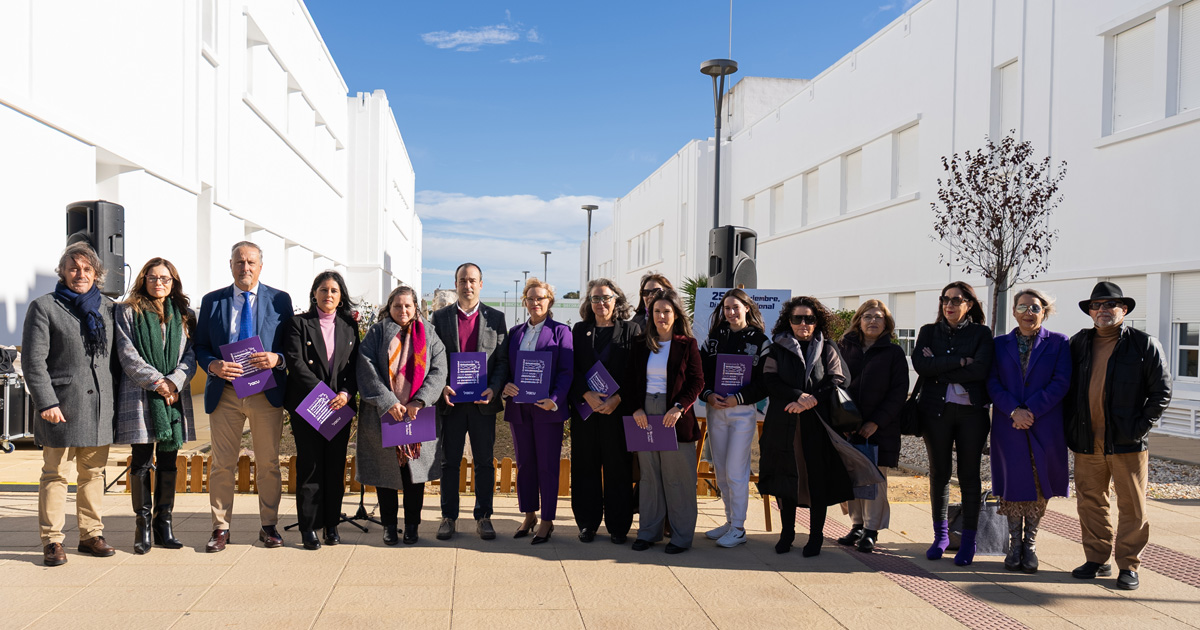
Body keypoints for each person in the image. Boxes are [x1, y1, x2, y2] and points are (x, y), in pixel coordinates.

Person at [1065, 282, 1170, 591]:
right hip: (1087, 441)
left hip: (1127, 441)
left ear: (1123, 309)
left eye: (1109, 304)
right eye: (1096, 305)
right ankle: (1097, 559)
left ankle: (1129, 565)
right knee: (1090, 503)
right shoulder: (1078, 343)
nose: (1102, 310)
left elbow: (1161, 391)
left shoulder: (1143, 344)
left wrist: (1140, 427)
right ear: (1090, 312)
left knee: (1133, 506)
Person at [23, 243, 118, 566]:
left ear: (96, 274)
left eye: (87, 269)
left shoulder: (108, 308)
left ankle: (91, 534)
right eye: (74, 268)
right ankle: (52, 540)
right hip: (60, 407)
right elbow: (33, 361)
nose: (80, 274)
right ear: (62, 272)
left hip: (99, 407)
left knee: (93, 473)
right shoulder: (44, 307)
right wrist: (46, 402)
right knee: (55, 474)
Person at [194, 241, 293, 552]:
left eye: (251, 262)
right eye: (239, 262)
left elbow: (291, 345)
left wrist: (277, 358)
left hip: (265, 392)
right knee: (222, 463)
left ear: (260, 266)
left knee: (268, 463)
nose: (245, 267)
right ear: (231, 265)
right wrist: (213, 365)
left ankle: (269, 525)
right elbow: (200, 346)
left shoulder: (280, 300)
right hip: (225, 392)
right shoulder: (212, 301)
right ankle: (220, 528)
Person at [760, 296, 877, 557]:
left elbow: (838, 378)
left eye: (809, 318)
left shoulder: (827, 346)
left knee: (818, 482)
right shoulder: (776, 347)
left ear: (817, 321)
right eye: (797, 318)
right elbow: (769, 380)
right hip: (784, 424)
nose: (803, 323)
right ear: (788, 321)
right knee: (785, 480)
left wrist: (810, 400)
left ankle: (815, 537)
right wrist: (798, 396)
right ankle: (787, 534)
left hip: (818, 425)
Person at [114, 258, 197, 554]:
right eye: (152, 277)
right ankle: (143, 525)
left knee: (168, 460)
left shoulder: (185, 315)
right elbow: (126, 353)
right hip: (140, 394)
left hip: (173, 396)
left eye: (164, 278)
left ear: (173, 282)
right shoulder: (127, 311)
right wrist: (158, 382)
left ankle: (165, 524)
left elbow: (191, 355)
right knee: (140, 461)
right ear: (143, 279)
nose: (158, 283)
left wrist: (174, 382)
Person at [985, 288, 1071, 573]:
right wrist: (1014, 410)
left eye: (1034, 308)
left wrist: (1030, 410)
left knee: (1038, 483)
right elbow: (992, 382)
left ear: (1044, 312)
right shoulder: (999, 344)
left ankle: (1030, 544)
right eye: (1022, 307)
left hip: (1043, 423)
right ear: (1013, 312)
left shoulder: (1059, 342)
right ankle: (1014, 545)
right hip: (1008, 424)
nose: (1028, 313)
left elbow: (1061, 382)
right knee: (1013, 483)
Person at [912, 281, 994, 566]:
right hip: (935, 411)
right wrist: (960, 361)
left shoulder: (981, 333)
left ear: (968, 304)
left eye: (956, 300)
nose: (949, 304)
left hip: (972, 414)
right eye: (945, 299)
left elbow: (981, 369)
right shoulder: (928, 332)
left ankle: (969, 541)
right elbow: (920, 366)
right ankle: (941, 536)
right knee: (940, 474)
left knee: (969, 476)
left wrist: (938, 366)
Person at [357, 285, 447, 545]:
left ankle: (412, 526)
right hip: (384, 415)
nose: (403, 310)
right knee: (386, 474)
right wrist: (388, 402)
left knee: (413, 476)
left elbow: (439, 370)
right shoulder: (377, 332)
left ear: (415, 307)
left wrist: (420, 400)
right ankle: (389, 526)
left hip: (416, 415)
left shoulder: (429, 334)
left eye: (408, 305)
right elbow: (366, 368)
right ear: (390, 307)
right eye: (398, 305)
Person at [282, 271, 361, 550]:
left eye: (334, 291)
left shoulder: (349, 326)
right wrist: (322, 394)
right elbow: (296, 363)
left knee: (335, 467)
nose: (329, 294)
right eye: (324, 289)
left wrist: (345, 393)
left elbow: (355, 367)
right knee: (310, 466)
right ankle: (308, 527)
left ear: (341, 297)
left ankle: (331, 525)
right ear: (314, 293)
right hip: (308, 406)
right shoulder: (298, 324)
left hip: (339, 407)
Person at [431, 262, 509, 541]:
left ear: (481, 284)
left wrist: (494, 388)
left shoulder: (496, 318)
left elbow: (502, 361)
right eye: (462, 280)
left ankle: (484, 516)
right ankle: (448, 517)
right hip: (451, 402)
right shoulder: (439, 318)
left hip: (482, 404)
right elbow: (434, 358)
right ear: (456, 284)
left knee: (484, 462)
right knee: (449, 462)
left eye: (472, 280)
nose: (467, 285)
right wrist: (441, 386)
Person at [626, 289, 704, 554]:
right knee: (649, 477)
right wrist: (636, 408)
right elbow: (630, 380)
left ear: (676, 314)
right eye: (657, 311)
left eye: (666, 311)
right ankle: (648, 533)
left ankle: (681, 537)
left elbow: (697, 381)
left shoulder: (687, 344)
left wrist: (679, 407)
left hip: (675, 415)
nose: (661, 316)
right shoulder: (640, 343)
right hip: (645, 413)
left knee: (677, 478)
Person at [569, 278, 641, 544]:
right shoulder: (579, 330)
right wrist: (584, 393)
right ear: (589, 303)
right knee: (584, 467)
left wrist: (618, 399)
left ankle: (618, 526)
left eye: (606, 298)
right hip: (585, 413)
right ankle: (587, 524)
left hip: (617, 413)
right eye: (595, 298)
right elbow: (571, 368)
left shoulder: (631, 330)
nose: (601, 303)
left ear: (616, 300)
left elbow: (636, 372)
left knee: (618, 469)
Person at [502, 278, 573, 544]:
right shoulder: (515, 333)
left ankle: (547, 520)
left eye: (540, 298)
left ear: (549, 301)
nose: (535, 302)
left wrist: (554, 399)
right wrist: (506, 385)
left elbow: (567, 371)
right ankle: (529, 514)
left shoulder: (561, 332)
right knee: (525, 464)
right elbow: (506, 367)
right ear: (524, 301)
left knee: (547, 465)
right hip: (519, 409)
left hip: (547, 409)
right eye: (530, 298)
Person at [836, 300, 909, 553]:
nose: (873, 321)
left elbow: (899, 392)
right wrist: (843, 421)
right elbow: (835, 383)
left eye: (879, 317)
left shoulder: (894, 353)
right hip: (847, 426)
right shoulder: (844, 347)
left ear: (886, 323)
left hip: (880, 429)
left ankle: (871, 530)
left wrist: (875, 422)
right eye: (867, 316)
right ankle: (856, 525)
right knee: (851, 478)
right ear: (859, 320)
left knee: (875, 480)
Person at [699, 288, 770, 548]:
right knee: (720, 469)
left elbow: (765, 382)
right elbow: (700, 372)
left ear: (747, 308)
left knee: (736, 470)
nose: (730, 312)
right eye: (727, 308)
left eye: (735, 307)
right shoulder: (714, 338)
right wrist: (708, 395)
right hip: (716, 410)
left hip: (742, 412)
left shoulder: (760, 340)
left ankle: (739, 527)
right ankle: (730, 521)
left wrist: (738, 398)